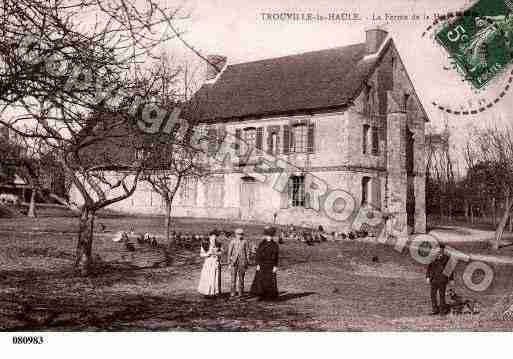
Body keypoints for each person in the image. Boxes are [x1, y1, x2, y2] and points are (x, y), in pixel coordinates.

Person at [250, 226, 279, 300]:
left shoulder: (275, 245)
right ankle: (261, 295)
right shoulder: (262, 244)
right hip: (262, 265)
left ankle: (269, 296)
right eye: (268, 236)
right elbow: (258, 254)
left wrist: (275, 266)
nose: (269, 237)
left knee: (270, 280)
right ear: (266, 236)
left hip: (270, 265)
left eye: (270, 236)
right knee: (260, 280)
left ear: (272, 236)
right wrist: (258, 264)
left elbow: (276, 256)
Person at [426, 243, 454, 315]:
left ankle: (442, 310)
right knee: (433, 295)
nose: (439, 250)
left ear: (443, 250)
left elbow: (450, 269)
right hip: (433, 279)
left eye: (440, 249)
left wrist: (451, 279)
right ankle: (434, 309)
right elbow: (429, 268)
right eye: (437, 249)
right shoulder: (432, 257)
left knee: (442, 295)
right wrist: (427, 277)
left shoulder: (447, 258)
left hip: (442, 280)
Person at [197, 229, 222, 298]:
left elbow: (220, 253)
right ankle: (206, 293)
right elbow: (201, 255)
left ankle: (214, 293)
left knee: (215, 277)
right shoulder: (205, 244)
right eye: (213, 236)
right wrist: (208, 253)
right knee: (208, 277)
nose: (215, 238)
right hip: (208, 262)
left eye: (216, 236)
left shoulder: (218, 244)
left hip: (215, 262)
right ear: (210, 236)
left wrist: (218, 253)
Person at [227, 228, 250, 298]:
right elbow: (229, 253)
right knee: (233, 278)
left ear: (243, 235)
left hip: (242, 262)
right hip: (233, 262)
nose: (239, 236)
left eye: (241, 234)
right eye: (238, 234)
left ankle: (240, 293)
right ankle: (232, 293)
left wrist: (247, 262)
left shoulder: (245, 242)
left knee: (241, 279)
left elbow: (247, 252)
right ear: (235, 235)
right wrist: (229, 263)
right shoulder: (232, 242)